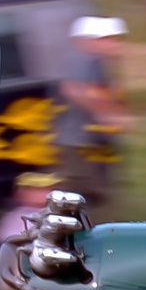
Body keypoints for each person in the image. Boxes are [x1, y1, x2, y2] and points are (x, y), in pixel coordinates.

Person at [57, 15, 131, 210]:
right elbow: (73, 89)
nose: (117, 44)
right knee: (85, 195)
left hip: (90, 141)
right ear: (91, 41)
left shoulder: (95, 62)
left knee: (93, 194)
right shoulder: (84, 60)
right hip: (78, 142)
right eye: (110, 39)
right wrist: (107, 114)